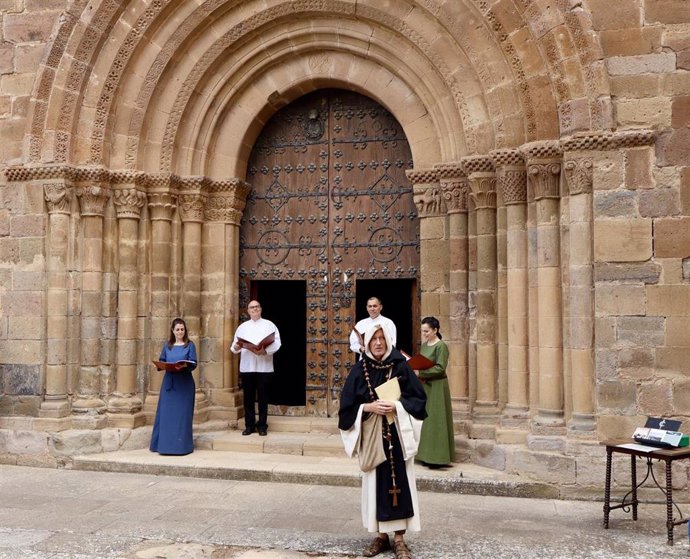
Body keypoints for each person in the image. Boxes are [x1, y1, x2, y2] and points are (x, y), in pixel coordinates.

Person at [339, 323, 427, 559]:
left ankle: (399, 539)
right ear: (367, 344)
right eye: (373, 339)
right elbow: (346, 408)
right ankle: (380, 536)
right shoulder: (360, 370)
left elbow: (419, 400)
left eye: (381, 338)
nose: (378, 343)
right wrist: (367, 406)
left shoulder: (401, 367)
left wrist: (397, 406)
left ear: (388, 340)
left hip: (396, 433)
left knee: (400, 483)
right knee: (375, 485)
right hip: (373, 438)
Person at [231, 300, 281, 436]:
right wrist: (236, 347)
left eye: (257, 307)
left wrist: (265, 351)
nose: (255, 309)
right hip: (247, 367)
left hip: (264, 367)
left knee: (263, 398)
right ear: (248, 311)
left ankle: (262, 426)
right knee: (248, 398)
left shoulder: (270, 325)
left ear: (261, 309)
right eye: (252, 307)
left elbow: (277, 342)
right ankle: (249, 426)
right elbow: (234, 346)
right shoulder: (242, 327)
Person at [150, 317, 197, 455]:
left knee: (182, 415)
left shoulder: (190, 345)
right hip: (169, 384)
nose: (180, 332)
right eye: (177, 329)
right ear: (173, 331)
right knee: (166, 414)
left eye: (182, 329)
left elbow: (194, 363)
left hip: (184, 384)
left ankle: (182, 447)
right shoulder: (167, 346)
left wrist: (184, 365)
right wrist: (158, 365)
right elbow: (162, 361)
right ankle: (164, 446)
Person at [415, 316, 455, 468]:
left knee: (437, 420)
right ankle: (426, 455)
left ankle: (437, 457)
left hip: (438, 386)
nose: (424, 334)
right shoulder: (425, 345)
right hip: (427, 386)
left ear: (435, 330)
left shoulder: (441, 346)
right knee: (427, 420)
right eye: (423, 331)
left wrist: (421, 373)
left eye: (426, 331)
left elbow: (440, 367)